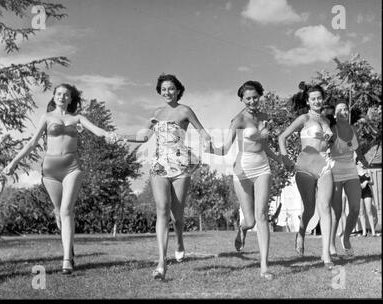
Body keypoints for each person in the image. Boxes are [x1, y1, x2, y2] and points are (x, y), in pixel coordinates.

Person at [3, 84, 117, 274]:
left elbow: (97, 130)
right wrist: (13, 162)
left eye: (66, 95)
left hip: (72, 167)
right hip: (50, 170)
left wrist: (108, 135)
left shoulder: (77, 118)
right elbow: (32, 143)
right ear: (54, 97)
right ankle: (69, 246)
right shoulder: (46, 117)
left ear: (71, 99)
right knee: (58, 212)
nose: (62, 97)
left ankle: (66, 259)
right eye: (59, 94)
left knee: (66, 210)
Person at [122, 74, 212, 280]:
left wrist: (207, 140)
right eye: (163, 89)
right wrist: (119, 136)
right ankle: (161, 263)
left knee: (177, 215)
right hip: (160, 165)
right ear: (159, 92)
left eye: (171, 88)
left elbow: (202, 131)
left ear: (178, 90)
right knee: (162, 209)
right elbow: (143, 136)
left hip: (181, 166)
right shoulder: (156, 113)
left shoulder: (185, 110)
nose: (167, 92)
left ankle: (179, 240)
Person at [206, 80, 283, 280]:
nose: (252, 101)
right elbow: (224, 149)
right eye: (247, 98)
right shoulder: (238, 120)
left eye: (255, 97)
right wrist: (210, 148)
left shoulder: (265, 117)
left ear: (260, 97)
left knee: (262, 215)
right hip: (242, 170)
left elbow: (264, 145)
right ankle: (242, 228)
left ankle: (264, 266)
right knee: (250, 221)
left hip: (262, 168)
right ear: (241, 99)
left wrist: (280, 159)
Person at [278, 84, 334, 269]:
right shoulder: (304, 118)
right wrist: (285, 158)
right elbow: (282, 137)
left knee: (325, 207)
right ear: (308, 101)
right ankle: (301, 232)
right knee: (309, 210)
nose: (317, 101)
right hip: (305, 166)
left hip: (325, 165)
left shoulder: (327, 120)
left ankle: (325, 255)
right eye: (314, 98)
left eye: (320, 98)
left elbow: (329, 145)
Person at [329, 99, 368, 257]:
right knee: (337, 212)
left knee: (355, 208)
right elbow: (323, 148)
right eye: (340, 110)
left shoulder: (353, 129)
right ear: (335, 114)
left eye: (346, 109)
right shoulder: (332, 130)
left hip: (351, 171)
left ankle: (346, 238)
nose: (344, 112)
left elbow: (357, 150)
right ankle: (331, 244)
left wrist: (364, 162)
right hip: (335, 172)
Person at [357, 159, 380, 237]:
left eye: (362, 162)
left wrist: (367, 182)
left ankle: (373, 232)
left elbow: (372, 182)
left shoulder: (367, 171)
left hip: (367, 192)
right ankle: (364, 232)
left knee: (369, 211)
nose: (361, 163)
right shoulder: (354, 172)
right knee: (361, 212)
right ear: (357, 163)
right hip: (358, 193)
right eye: (360, 162)